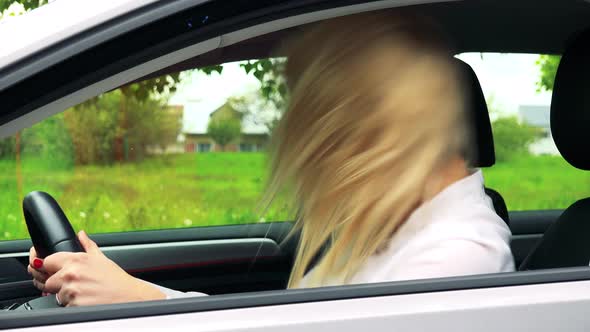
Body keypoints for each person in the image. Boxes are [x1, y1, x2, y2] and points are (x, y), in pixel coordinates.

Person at [28, 11, 515, 306]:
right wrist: (128, 292)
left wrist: (135, 299)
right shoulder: (390, 223)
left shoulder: (459, 257)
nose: (321, 166)